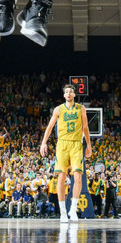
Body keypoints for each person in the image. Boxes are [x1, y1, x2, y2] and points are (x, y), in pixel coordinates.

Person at [39, 83, 92, 223]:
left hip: (76, 144)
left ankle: (72, 210)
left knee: (78, 178)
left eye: (71, 91)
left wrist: (89, 145)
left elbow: (85, 127)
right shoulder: (58, 109)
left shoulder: (81, 109)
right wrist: (43, 143)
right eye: (66, 92)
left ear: (74, 95)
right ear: (64, 95)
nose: (68, 93)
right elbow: (50, 127)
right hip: (62, 144)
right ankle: (63, 212)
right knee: (61, 177)